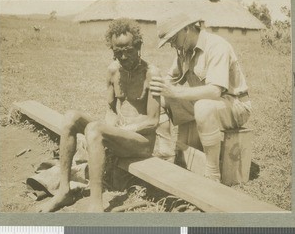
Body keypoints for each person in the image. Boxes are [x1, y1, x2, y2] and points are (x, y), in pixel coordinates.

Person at [39, 18, 161, 212]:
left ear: (138, 46)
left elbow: (153, 121)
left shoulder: (151, 73)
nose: (122, 57)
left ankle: (95, 205)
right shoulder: (113, 71)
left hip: (141, 142)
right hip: (119, 134)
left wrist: (118, 129)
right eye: (117, 52)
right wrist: (109, 129)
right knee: (71, 117)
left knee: (95, 129)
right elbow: (111, 110)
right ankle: (64, 191)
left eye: (127, 51)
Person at [150, 13, 252, 182]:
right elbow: (169, 80)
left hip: (236, 105)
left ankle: (212, 175)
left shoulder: (217, 46)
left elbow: (214, 91)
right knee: (159, 100)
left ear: (187, 29)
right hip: (205, 103)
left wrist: (174, 92)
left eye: (173, 39)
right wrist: (156, 85)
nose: (172, 45)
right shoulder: (183, 51)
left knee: (203, 107)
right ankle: (167, 156)